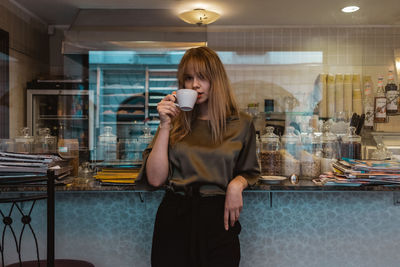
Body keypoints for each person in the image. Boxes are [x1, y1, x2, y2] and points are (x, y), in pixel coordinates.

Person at [136, 46, 260, 267]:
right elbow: (155, 179)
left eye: (202, 77)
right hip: (175, 216)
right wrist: (164, 125)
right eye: (188, 78)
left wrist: (236, 185)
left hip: (218, 218)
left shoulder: (241, 123)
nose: (195, 84)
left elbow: (249, 171)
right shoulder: (173, 121)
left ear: (216, 80)